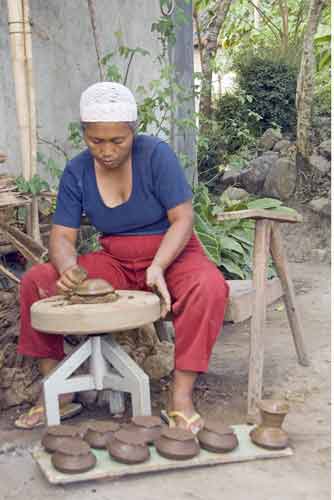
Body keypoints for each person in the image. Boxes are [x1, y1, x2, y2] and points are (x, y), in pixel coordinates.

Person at [15, 82, 229, 432]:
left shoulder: (157, 155)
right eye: (96, 141)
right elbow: (62, 236)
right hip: (115, 260)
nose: (107, 151)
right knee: (37, 280)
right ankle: (56, 389)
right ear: (84, 134)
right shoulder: (77, 171)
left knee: (210, 286)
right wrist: (68, 267)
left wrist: (159, 265)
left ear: (134, 131)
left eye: (118, 141)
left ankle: (181, 396)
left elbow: (183, 219)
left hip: (172, 254)